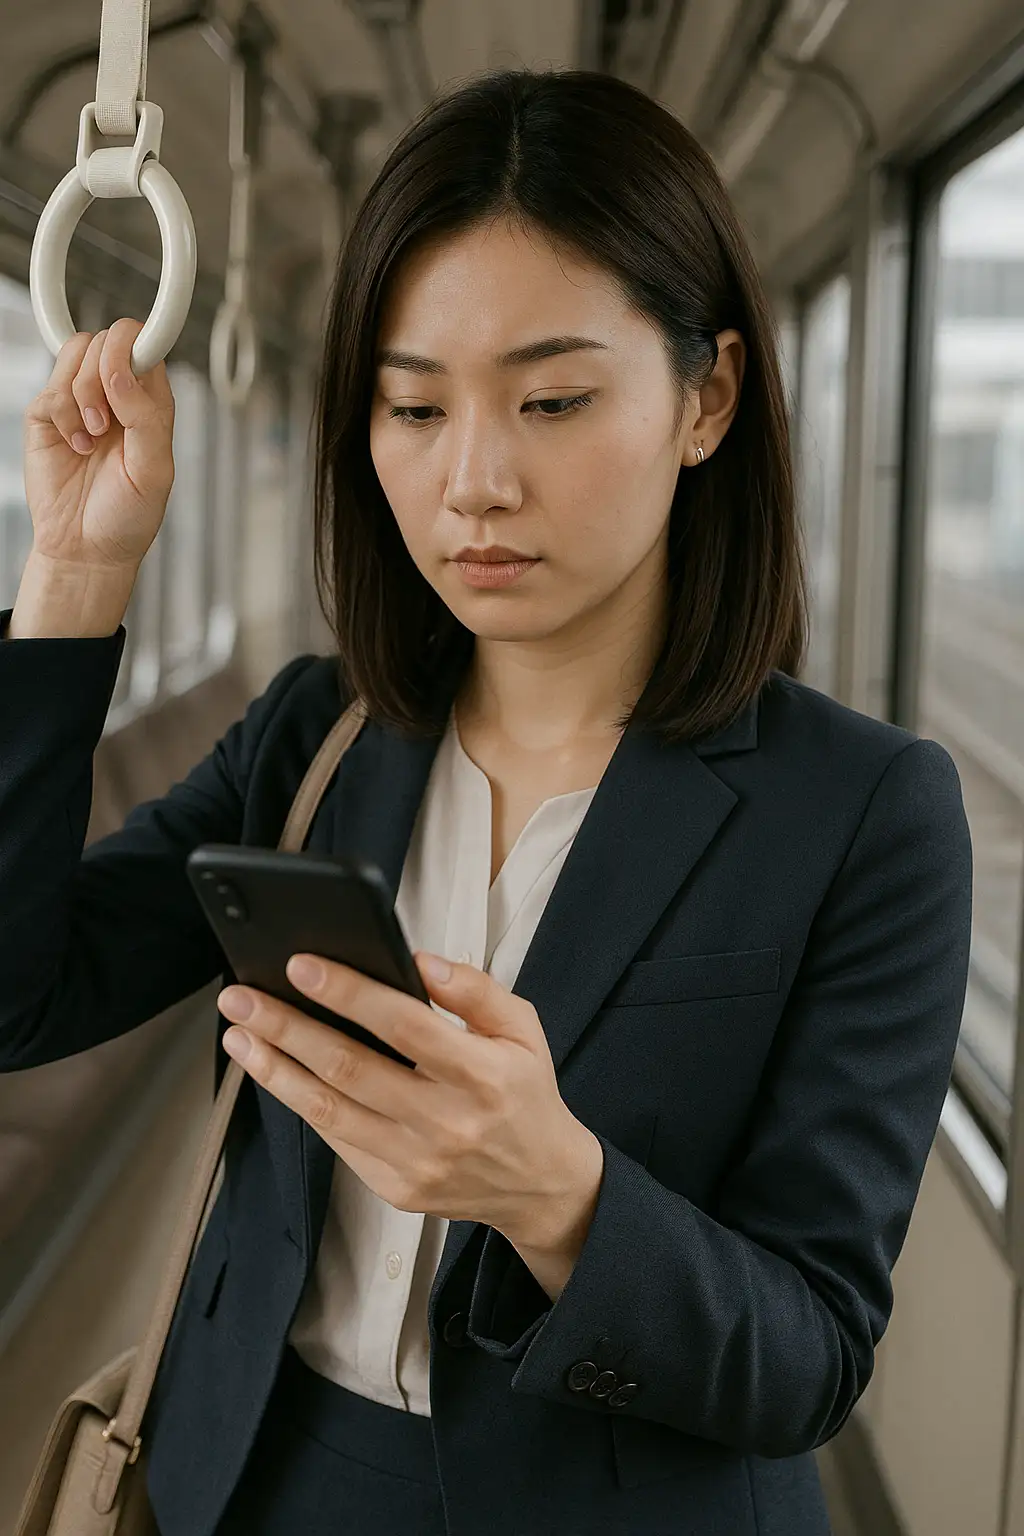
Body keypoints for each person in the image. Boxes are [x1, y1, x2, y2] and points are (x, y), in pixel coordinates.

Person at [0, 66, 972, 1536]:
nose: (472, 483)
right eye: (411, 405)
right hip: (256, 1480)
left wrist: (558, 1196)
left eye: (555, 399)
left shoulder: (862, 813)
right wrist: (73, 585)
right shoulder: (318, 739)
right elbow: (19, 996)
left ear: (706, 399)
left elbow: (812, 1355)